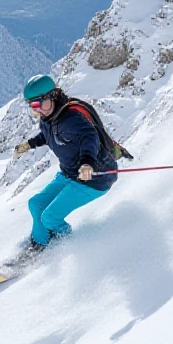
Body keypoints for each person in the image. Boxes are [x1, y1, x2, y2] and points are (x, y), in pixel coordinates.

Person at [11, 74, 118, 249]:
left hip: (93, 178)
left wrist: (87, 163)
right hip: (70, 173)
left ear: (53, 96)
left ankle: (68, 247)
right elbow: (49, 134)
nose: (37, 110)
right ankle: (40, 243)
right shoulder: (49, 117)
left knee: (50, 217)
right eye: (32, 106)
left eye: (39, 104)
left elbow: (90, 137)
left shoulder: (71, 118)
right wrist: (29, 144)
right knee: (36, 204)